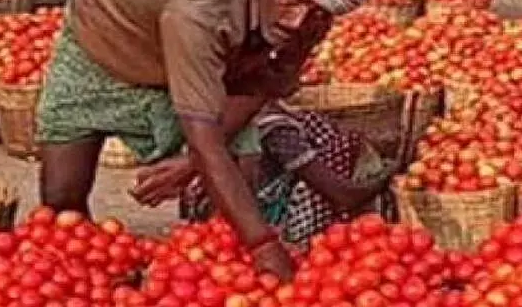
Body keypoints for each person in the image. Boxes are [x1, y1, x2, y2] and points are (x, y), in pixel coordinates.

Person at [33, 0, 401, 281]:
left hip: (216, 57)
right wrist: (265, 248)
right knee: (61, 197)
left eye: (318, 11)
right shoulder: (201, 11)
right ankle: (81, 278)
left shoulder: (309, 13)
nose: (297, 20)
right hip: (105, 43)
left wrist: (194, 164)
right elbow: (205, 138)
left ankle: (219, 256)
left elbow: (265, 85)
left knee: (241, 166)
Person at [166, 106, 393, 247]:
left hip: (214, 229)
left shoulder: (203, 118)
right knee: (344, 144)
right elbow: (344, 195)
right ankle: (299, 238)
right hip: (251, 226)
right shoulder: (276, 129)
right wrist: (385, 177)